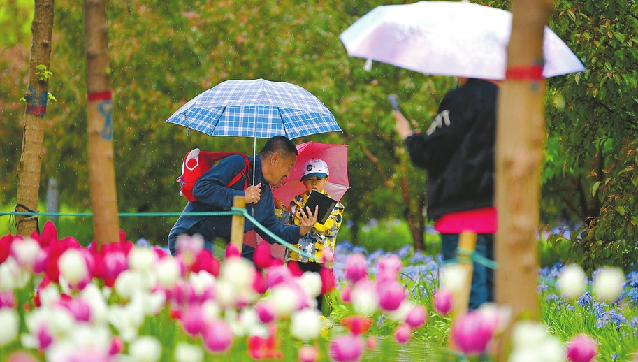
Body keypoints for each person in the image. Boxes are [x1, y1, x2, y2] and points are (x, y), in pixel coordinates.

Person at [392, 78, 498, 310]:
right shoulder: (510, 99)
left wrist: (410, 138)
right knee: (492, 304)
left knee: (468, 302)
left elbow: (431, 154)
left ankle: (472, 347)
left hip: (460, 217)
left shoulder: (460, 98)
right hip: (500, 217)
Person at [168, 136, 318, 262]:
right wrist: (241, 196)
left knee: (270, 267)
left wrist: (302, 230)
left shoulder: (265, 197)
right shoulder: (238, 164)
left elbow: (275, 231)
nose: (288, 173)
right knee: (231, 270)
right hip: (188, 239)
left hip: (222, 246)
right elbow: (201, 188)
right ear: (275, 159)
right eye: (289, 166)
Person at [274, 158, 345, 312]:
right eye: (309, 180)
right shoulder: (296, 203)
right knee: (295, 297)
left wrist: (314, 223)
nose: (313, 183)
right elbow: (286, 226)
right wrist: (281, 210)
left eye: (318, 179)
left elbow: (332, 228)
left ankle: (322, 328)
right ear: (303, 182)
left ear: (326, 180)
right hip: (296, 257)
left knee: (321, 300)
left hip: (320, 260)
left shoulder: (334, 206)